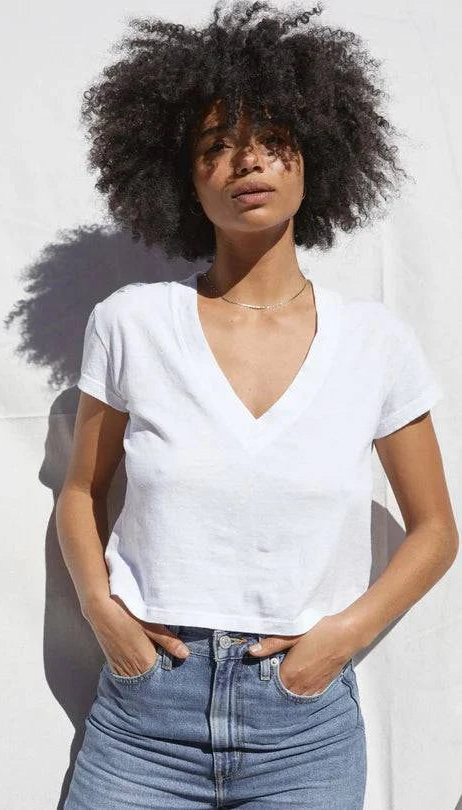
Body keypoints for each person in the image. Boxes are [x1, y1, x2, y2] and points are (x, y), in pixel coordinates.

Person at [57, 2, 459, 807]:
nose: (246, 162)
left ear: (315, 159)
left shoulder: (375, 341)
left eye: (272, 139)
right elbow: (80, 491)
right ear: (182, 179)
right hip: (144, 717)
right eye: (215, 146)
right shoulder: (133, 323)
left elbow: (436, 531)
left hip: (303, 724)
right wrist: (103, 613)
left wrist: (338, 642)